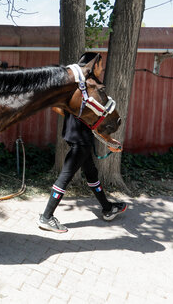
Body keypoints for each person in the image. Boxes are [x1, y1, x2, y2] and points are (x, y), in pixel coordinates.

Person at [38, 52, 127, 233]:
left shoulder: (77, 85)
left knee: (91, 173)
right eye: (100, 65)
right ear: (93, 65)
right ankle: (46, 217)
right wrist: (108, 140)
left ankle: (107, 208)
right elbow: (98, 121)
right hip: (81, 139)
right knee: (66, 176)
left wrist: (71, 115)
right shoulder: (90, 85)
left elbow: (57, 106)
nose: (102, 68)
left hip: (74, 135)